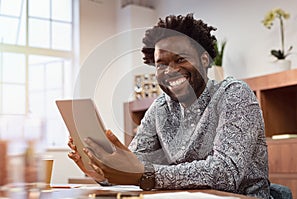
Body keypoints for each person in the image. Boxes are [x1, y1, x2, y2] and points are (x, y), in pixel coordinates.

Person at [68, 13, 270, 198]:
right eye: (161, 64)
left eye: (180, 59)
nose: (170, 70)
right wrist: (103, 171)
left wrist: (145, 174)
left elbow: (226, 173)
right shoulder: (160, 109)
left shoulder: (234, 94)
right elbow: (133, 166)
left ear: (204, 59)